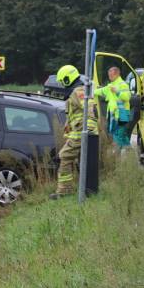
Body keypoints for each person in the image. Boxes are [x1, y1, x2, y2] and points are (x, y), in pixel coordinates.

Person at [50, 65, 97, 199]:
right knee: (78, 160)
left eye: (61, 81)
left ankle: (64, 191)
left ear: (67, 79)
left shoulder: (79, 91)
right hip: (79, 132)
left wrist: (88, 130)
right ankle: (81, 189)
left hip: (82, 133)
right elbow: (74, 114)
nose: (61, 85)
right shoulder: (75, 92)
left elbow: (89, 108)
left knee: (64, 156)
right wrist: (67, 126)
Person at [94, 66, 132, 151]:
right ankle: (129, 153)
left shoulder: (122, 84)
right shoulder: (110, 86)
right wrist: (89, 91)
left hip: (122, 114)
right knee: (121, 136)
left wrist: (117, 92)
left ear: (117, 74)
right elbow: (101, 91)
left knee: (117, 136)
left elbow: (127, 97)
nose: (109, 77)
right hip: (114, 115)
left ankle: (118, 157)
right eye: (109, 75)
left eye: (111, 75)